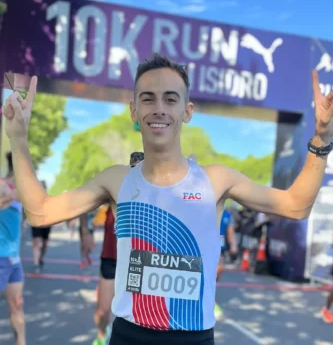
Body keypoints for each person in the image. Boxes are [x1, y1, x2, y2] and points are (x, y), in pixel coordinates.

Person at [3, 54, 333, 345]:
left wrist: (320, 139)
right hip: (129, 336)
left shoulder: (216, 180)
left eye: (170, 99)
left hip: (194, 338)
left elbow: (296, 205)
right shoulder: (116, 180)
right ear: (134, 110)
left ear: (187, 111)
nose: (158, 108)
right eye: (147, 99)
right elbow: (40, 213)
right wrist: (18, 139)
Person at [93, 151, 144, 345]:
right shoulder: (113, 192)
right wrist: (85, 233)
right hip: (111, 259)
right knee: (103, 311)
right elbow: (84, 203)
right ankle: (100, 337)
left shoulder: (151, 199)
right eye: (132, 168)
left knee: (135, 316)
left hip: (136, 262)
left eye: (140, 168)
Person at [0, 152, 25, 345]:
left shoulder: (17, 194)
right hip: (1, 258)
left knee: (16, 305)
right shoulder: (4, 186)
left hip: (14, 260)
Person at [214, 206, 237, 320]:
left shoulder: (227, 215)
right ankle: (210, 301)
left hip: (220, 246)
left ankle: (211, 297)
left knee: (218, 271)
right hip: (205, 245)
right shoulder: (206, 208)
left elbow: (230, 229)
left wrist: (233, 244)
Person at [29, 180, 52, 272]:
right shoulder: (32, 199)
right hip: (36, 223)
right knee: (36, 243)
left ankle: (40, 258)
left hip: (46, 224)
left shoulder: (49, 198)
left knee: (44, 244)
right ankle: (36, 264)